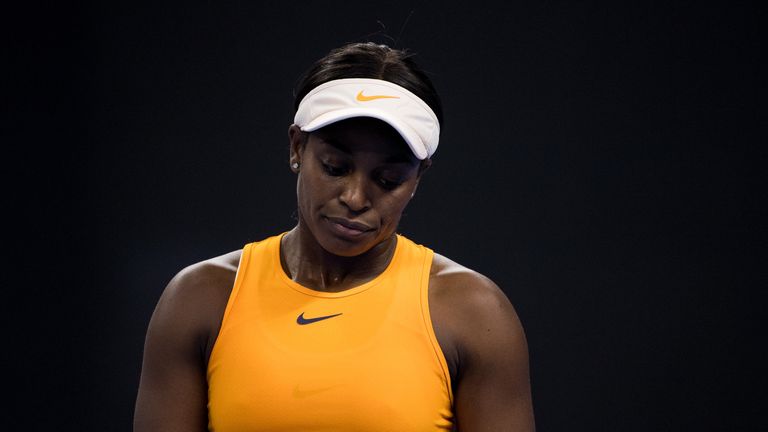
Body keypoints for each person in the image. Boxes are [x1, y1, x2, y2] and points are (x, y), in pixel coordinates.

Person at [133, 42, 535, 431]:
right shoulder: (201, 299)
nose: (356, 198)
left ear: (418, 178)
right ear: (296, 148)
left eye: (388, 179)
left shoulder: (473, 314)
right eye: (335, 167)